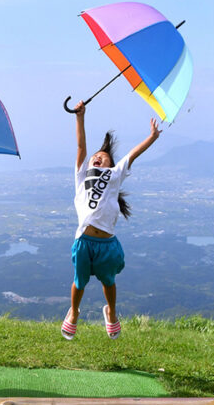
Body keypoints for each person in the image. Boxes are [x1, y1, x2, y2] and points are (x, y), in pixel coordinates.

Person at [62, 101, 160, 340]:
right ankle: (74, 312)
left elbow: (133, 154)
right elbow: (81, 146)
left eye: (103, 158)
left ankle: (111, 312)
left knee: (109, 282)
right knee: (79, 282)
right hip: (84, 240)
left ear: (111, 165)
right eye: (96, 156)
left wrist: (152, 137)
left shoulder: (115, 175)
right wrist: (79, 117)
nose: (98, 158)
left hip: (106, 244)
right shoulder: (81, 175)